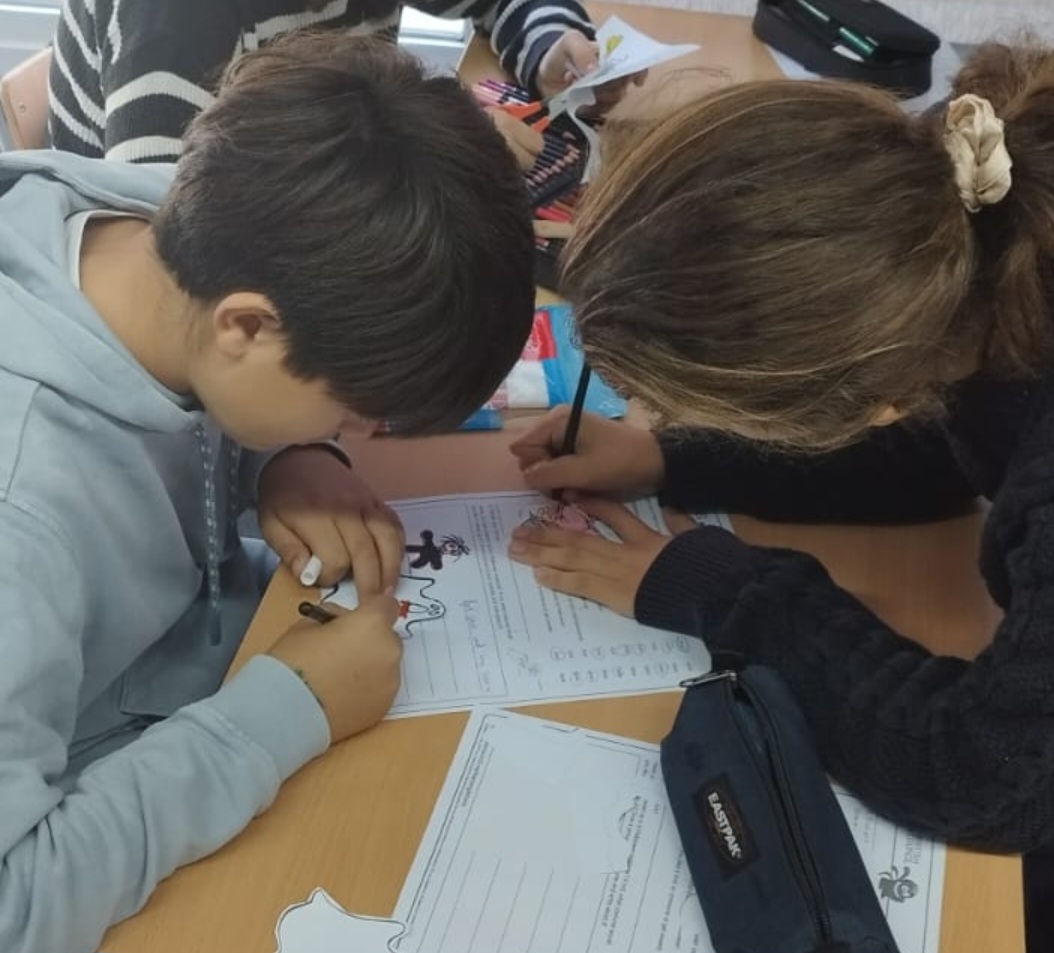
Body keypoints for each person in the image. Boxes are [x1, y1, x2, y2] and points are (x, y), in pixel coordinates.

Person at [505, 43, 1054, 952]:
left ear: (869, 406)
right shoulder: (964, 212)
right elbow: (948, 430)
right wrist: (667, 458)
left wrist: (724, 587)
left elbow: (984, 775)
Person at [0, 31, 534, 953]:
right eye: (354, 413)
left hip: (182, 661)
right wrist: (287, 710)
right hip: (99, 776)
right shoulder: (22, 523)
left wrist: (288, 455)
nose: (361, 438)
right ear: (247, 325)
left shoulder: (166, 221)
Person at [48, 0, 638, 166]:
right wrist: (429, 141)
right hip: (202, 232)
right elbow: (171, 226)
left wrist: (547, 46)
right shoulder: (170, 22)